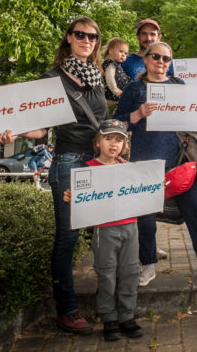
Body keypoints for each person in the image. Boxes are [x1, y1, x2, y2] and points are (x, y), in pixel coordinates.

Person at [0, 16, 109, 334]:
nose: (88, 41)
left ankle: (111, 302)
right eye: (81, 35)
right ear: (68, 38)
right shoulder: (52, 79)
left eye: (93, 37)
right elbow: (42, 128)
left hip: (99, 163)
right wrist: (12, 133)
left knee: (101, 233)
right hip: (70, 162)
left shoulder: (97, 76)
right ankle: (67, 309)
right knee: (67, 237)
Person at [113, 41, 197, 285]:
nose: (161, 62)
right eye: (156, 57)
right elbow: (114, 125)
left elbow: (193, 117)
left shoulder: (178, 85)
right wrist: (137, 115)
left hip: (179, 162)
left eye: (166, 59)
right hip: (145, 163)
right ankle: (147, 265)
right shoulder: (134, 89)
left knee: (196, 211)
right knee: (145, 219)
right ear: (146, 59)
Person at [61, 119, 142, 341]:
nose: (113, 144)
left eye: (119, 140)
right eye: (108, 138)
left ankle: (127, 315)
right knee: (106, 274)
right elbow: (79, 197)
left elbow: (141, 192)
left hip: (131, 225)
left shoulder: (129, 169)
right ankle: (109, 318)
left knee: (131, 272)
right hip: (105, 230)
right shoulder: (87, 170)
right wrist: (71, 196)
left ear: (124, 145)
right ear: (98, 142)